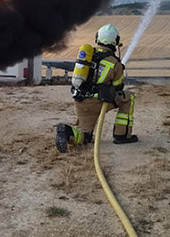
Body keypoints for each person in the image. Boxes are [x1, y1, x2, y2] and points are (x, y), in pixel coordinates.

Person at [56, 24, 138, 153]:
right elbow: (118, 87)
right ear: (115, 42)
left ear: (97, 38)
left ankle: (68, 132)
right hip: (99, 103)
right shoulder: (114, 63)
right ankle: (122, 136)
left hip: (80, 102)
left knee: (86, 136)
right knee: (128, 97)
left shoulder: (88, 56)